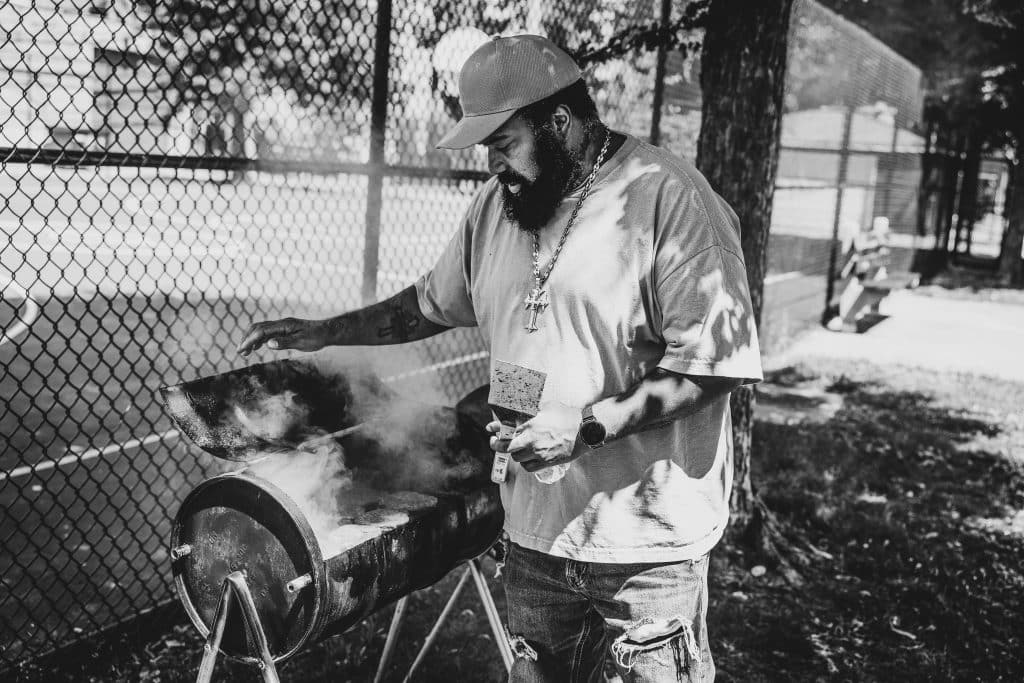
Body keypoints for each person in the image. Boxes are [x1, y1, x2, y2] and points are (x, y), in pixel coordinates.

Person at [237, 34, 762, 682]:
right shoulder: (496, 208)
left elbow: (713, 365)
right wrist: (326, 331)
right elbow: (427, 305)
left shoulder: (669, 199)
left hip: (644, 546)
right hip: (536, 537)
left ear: (561, 123)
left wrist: (584, 427)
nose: (492, 164)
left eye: (504, 143)